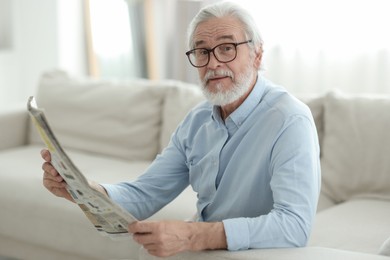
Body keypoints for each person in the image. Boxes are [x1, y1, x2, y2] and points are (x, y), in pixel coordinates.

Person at [41, 1, 321, 257]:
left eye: (227, 48)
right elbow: (144, 194)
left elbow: (294, 226)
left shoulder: (290, 120)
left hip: (261, 251)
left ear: (257, 54)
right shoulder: (197, 120)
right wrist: (84, 191)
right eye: (202, 51)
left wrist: (193, 235)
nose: (213, 63)